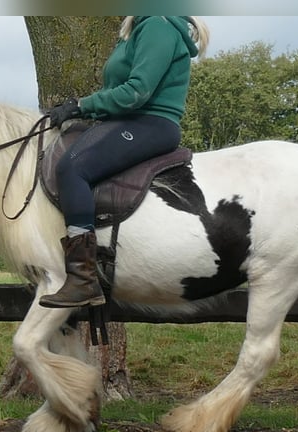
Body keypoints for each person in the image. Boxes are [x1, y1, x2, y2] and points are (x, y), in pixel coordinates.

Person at [39, 16, 210, 309]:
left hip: (149, 122)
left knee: (73, 168)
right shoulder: (138, 27)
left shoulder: (158, 25)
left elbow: (136, 92)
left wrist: (81, 106)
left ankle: (83, 280)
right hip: (126, 122)